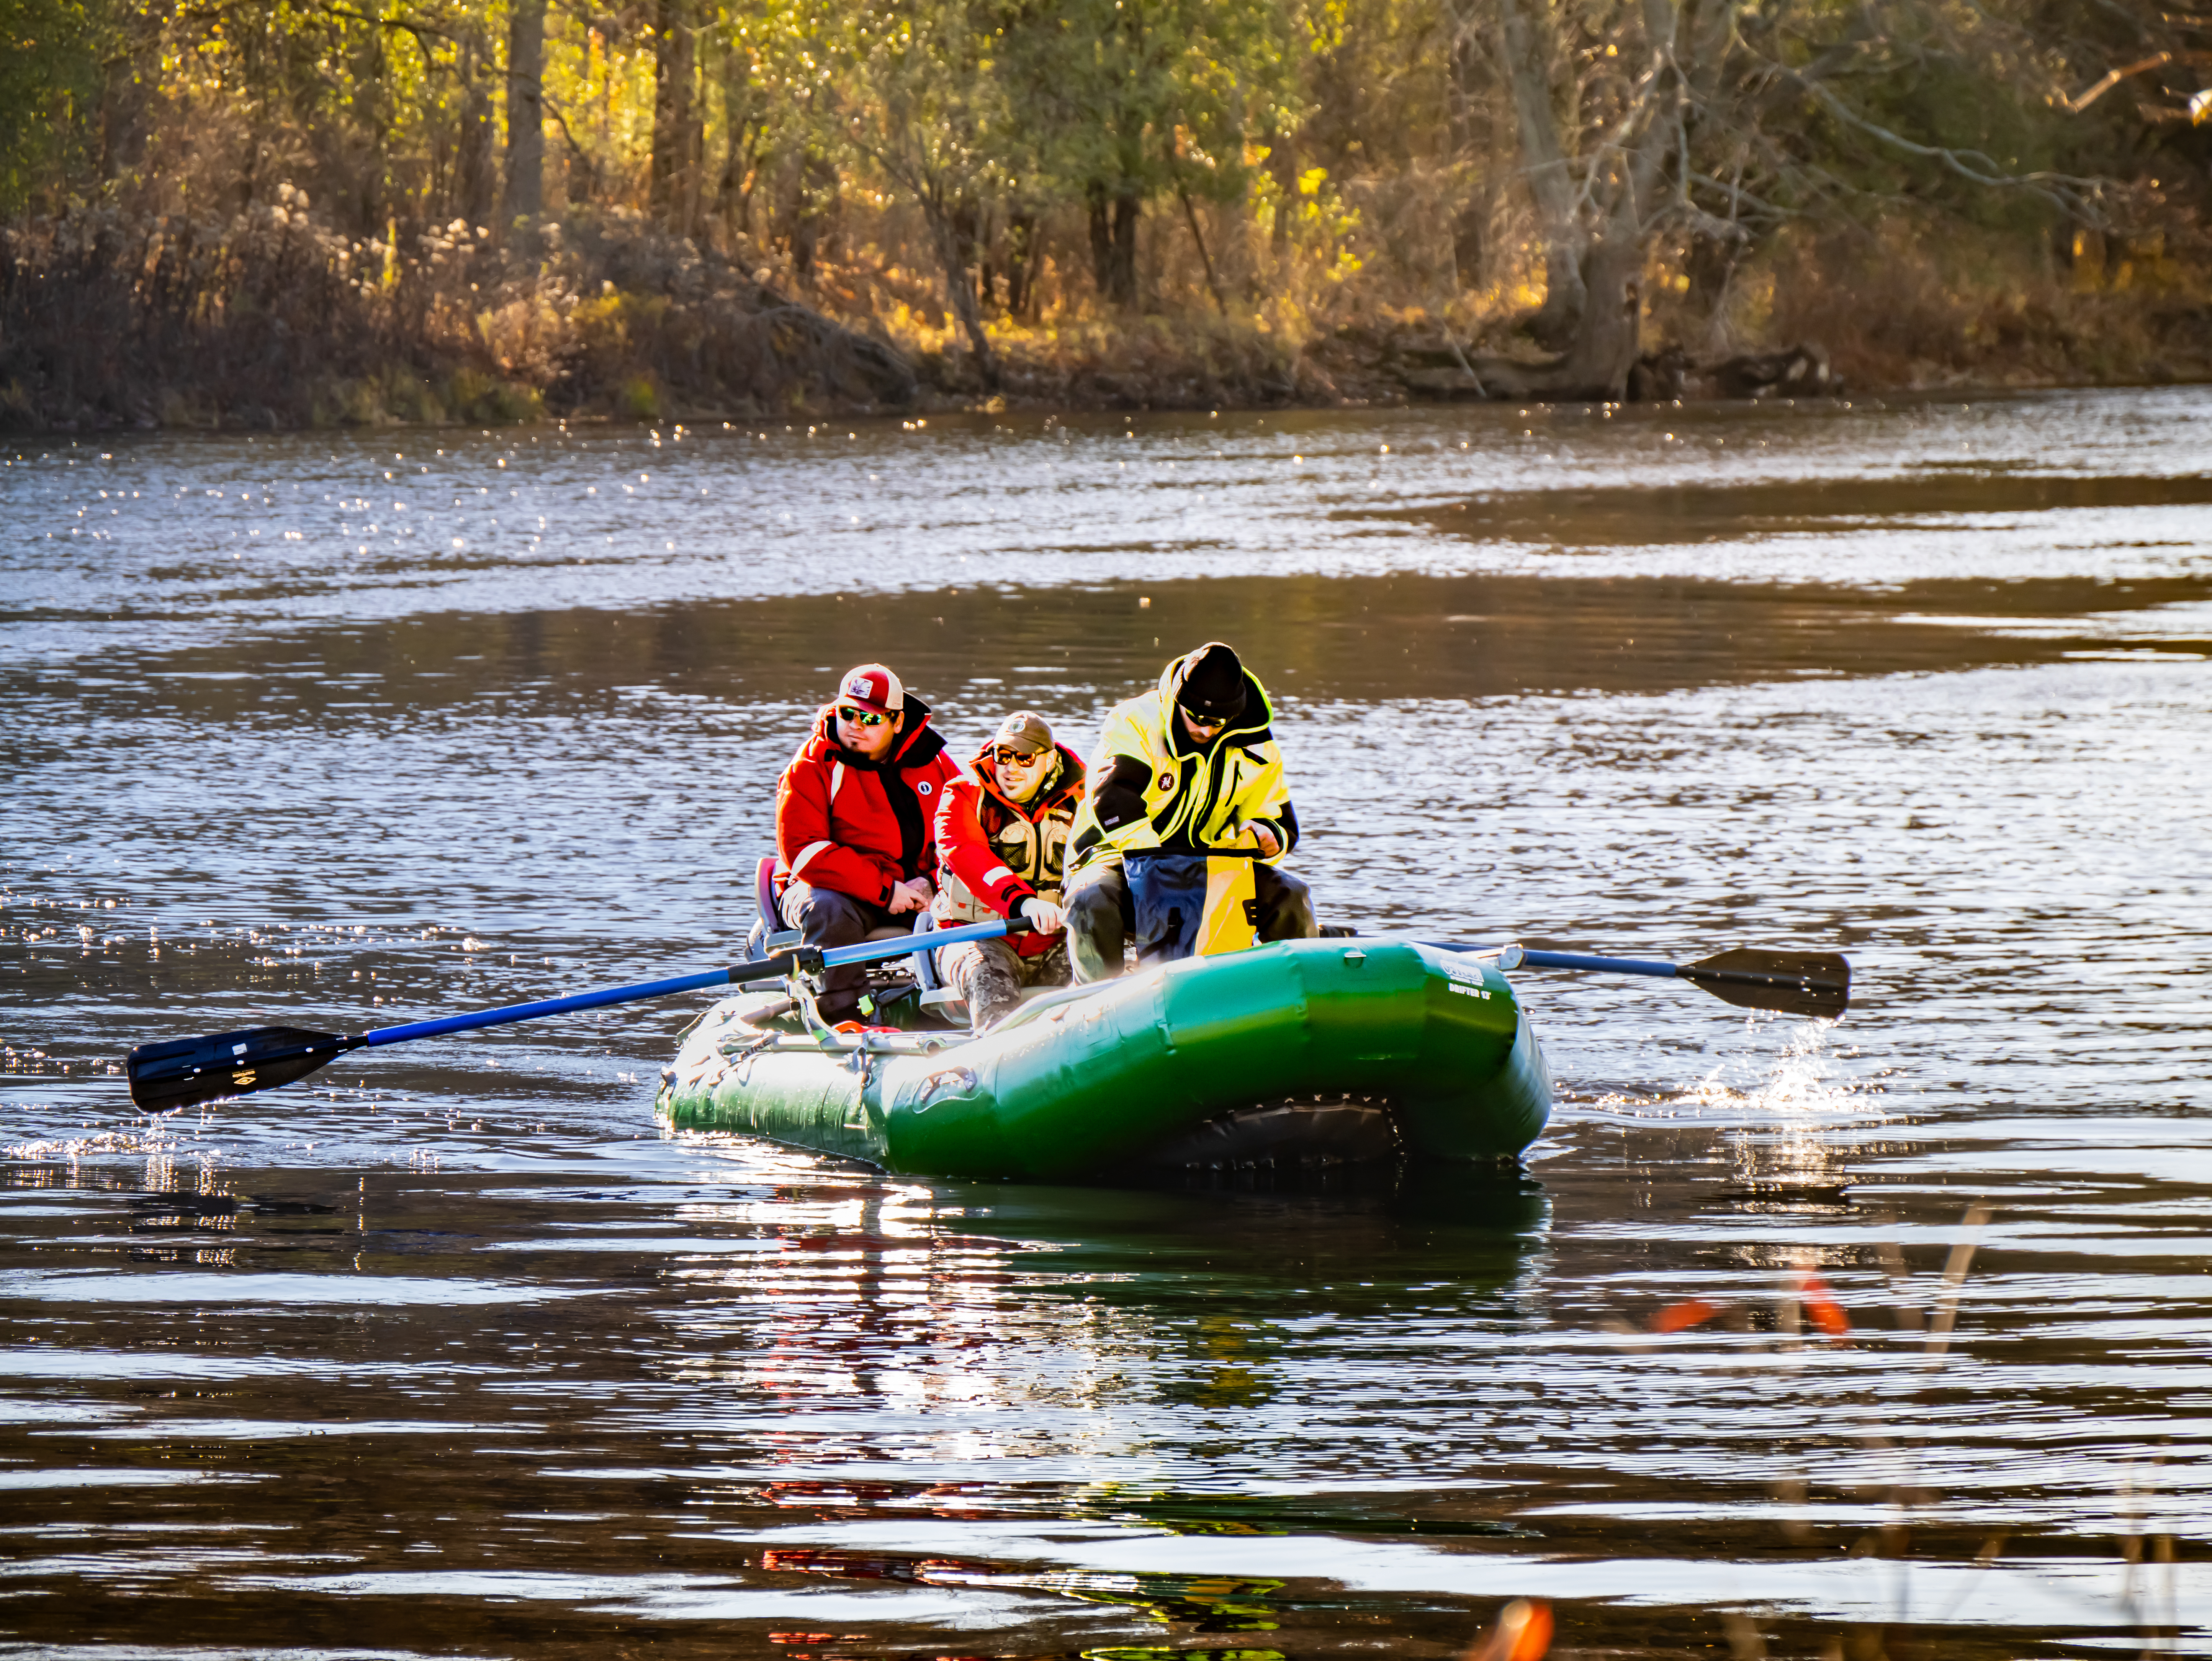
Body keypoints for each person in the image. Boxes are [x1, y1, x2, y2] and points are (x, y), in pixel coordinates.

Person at [1062, 641, 1315, 981]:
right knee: (1091, 899)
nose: (1206, 731)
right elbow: (1113, 798)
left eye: (1218, 723)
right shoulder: (1133, 720)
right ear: (1179, 700)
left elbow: (1280, 818)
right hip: (1119, 857)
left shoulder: (1258, 744)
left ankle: (1296, 990)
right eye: (1197, 719)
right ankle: (1096, 1002)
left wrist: (1270, 835)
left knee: (1291, 894)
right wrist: (1160, 869)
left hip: (1210, 865)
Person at [773, 663, 962, 1024]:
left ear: (897, 721)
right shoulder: (811, 766)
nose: (855, 725)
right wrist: (887, 891)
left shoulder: (936, 764)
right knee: (828, 909)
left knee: (973, 895)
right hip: (832, 888)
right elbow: (804, 850)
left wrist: (935, 882)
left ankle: (965, 1002)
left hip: (920, 887)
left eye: (870, 719)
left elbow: (961, 834)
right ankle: (844, 1016)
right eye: (847, 713)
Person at [930, 712, 1086, 1031]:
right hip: (978, 937)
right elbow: (968, 856)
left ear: (1049, 760)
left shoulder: (1084, 800)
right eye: (1003, 756)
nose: (1011, 768)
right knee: (988, 980)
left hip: (1054, 940)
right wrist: (1024, 903)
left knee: (1116, 972)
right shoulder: (962, 795)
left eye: (1025, 758)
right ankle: (997, 1062)